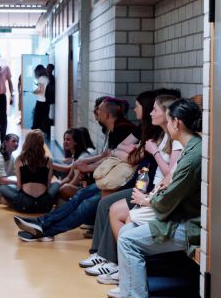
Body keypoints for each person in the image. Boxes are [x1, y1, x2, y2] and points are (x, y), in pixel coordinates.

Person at [109, 99, 202, 298]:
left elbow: (168, 200)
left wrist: (147, 200)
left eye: (168, 120)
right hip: (180, 215)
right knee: (127, 230)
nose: (167, 125)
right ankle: (131, 296)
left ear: (177, 123)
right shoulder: (193, 147)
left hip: (188, 224)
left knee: (128, 240)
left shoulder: (192, 155)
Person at [80, 89, 181, 272]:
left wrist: (153, 151)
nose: (150, 113)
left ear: (166, 114)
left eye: (155, 110)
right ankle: (100, 253)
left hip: (153, 191)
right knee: (103, 202)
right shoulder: (161, 134)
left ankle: (116, 262)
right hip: (146, 186)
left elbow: (169, 173)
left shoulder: (173, 139)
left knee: (113, 208)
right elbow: (125, 152)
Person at [13, 98, 138, 242]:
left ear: (107, 114)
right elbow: (110, 156)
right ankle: (42, 223)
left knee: (84, 204)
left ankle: (44, 230)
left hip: (120, 182)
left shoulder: (123, 130)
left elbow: (117, 159)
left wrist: (88, 166)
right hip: (110, 179)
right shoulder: (115, 130)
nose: (96, 112)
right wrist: (87, 164)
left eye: (99, 109)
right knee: (80, 196)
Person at [0, 130, 56, 215]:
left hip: (25, 205)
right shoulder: (48, 160)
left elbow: (19, 186)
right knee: (57, 184)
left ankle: (12, 202)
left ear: (27, 143)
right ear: (42, 143)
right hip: (44, 205)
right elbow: (48, 186)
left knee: (3, 188)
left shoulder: (20, 159)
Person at [31, 65, 51, 139]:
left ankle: (34, 135)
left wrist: (34, 92)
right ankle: (43, 133)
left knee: (36, 118)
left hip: (40, 101)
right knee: (44, 118)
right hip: (46, 101)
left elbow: (41, 90)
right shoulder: (47, 78)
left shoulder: (40, 78)